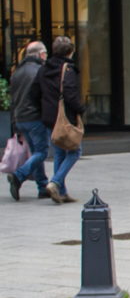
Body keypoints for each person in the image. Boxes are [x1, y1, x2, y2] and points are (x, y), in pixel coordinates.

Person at [25, 36, 84, 203]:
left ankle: (62, 192)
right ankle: (56, 182)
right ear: (71, 52)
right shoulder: (68, 69)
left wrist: (46, 107)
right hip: (65, 117)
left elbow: (34, 94)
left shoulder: (43, 69)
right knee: (75, 151)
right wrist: (81, 110)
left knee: (59, 152)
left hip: (49, 117)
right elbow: (70, 95)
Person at [7, 41, 49, 201]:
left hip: (21, 118)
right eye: (45, 53)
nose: (46, 56)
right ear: (40, 54)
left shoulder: (17, 72)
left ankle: (43, 187)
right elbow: (43, 97)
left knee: (35, 152)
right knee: (42, 151)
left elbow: (13, 101)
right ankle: (18, 176)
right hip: (35, 117)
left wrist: (15, 126)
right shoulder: (40, 71)